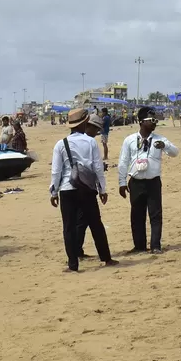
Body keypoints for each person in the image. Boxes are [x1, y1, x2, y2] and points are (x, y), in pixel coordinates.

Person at [49, 108, 117, 272]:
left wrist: (53, 192)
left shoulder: (60, 144)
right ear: (85, 123)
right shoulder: (90, 142)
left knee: (69, 227)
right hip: (86, 188)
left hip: (67, 188)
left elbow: (56, 171)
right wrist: (102, 189)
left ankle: (73, 264)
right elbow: (97, 167)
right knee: (95, 224)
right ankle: (106, 258)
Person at [117, 106, 180, 254]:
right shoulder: (129, 140)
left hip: (153, 182)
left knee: (155, 215)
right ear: (140, 121)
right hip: (136, 181)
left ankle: (155, 245)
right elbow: (123, 162)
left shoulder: (159, 139)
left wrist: (165, 146)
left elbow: (175, 153)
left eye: (155, 120)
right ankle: (139, 246)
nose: (154, 123)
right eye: (151, 120)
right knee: (136, 215)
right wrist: (121, 182)